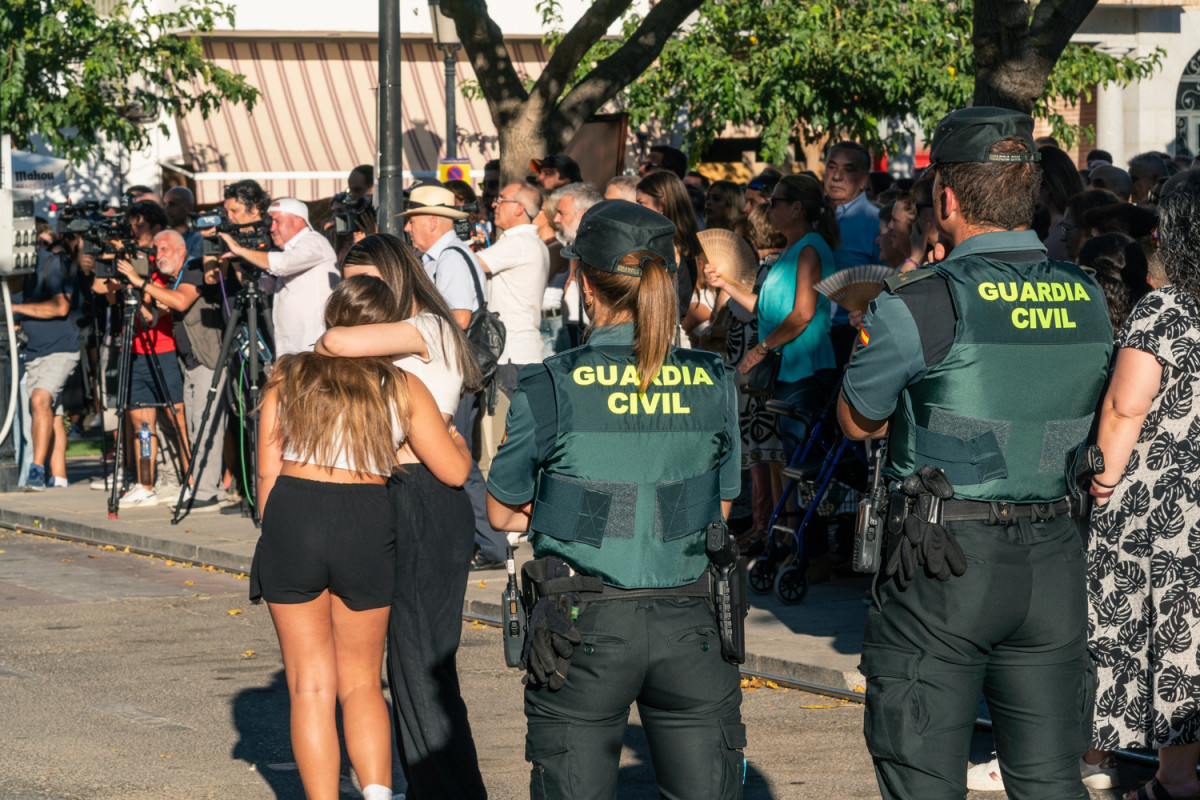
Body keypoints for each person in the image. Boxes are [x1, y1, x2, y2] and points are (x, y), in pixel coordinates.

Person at [837, 106, 1114, 800]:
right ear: (1032, 195)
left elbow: (856, 421)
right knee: (1051, 778)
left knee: (923, 772)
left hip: (943, 563)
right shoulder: (1088, 297)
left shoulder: (921, 302)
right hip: (1054, 556)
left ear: (947, 199)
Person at [485, 199, 745, 798]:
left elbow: (501, 511)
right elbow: (720, 509)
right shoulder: (713, 379)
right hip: (693, 619)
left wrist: (580, 509)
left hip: (583, 621)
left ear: (582, 281)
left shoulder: (551, 382)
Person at [253, 275, 472, 800]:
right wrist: (460, 447)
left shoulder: (290, 377)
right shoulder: (401, 385)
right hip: (365, 518)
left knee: (309, 685)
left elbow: (267, 470)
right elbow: (452, 473)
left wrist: (274, 533)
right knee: (361, 682)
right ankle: (377, 793)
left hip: (294, 511)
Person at [316, 239, 487, 799]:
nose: (349, 293)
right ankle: (427, 783)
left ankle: (450, 790)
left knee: (422, 663)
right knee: (404, 663)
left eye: (361, 281)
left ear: (394, 277)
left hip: (423, 494)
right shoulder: (399, 336)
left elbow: (333, 338)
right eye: (344, 282)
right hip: (389, 492)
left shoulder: (429, 325)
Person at [1085, 181, 1200, 800]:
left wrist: (1103, 476)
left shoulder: (1167, 310)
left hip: (1163, 507)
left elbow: (1126, 407)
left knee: (1135, 628)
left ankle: (1143, 768)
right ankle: (1176, 774)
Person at [400, 183, 505, 570]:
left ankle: (490, 545)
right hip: (447, 373)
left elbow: (459, 319)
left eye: (411, 220)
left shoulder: (452, 259)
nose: (408, 228)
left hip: (451, 374)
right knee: (451, 455)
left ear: (431, 221)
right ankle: (480, 542)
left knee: (455, 455)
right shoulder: (443, 257)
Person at [707, 174, 839, 454]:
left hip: (806, 369)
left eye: (775, 202)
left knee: (802, 456)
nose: (768, 209)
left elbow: (803, 314)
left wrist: (761, 349)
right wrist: (725, 283)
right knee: (791, 457)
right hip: (789, 369)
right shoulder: (792, 249)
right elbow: (765, 307)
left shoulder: (809, 250)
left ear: (797, 208)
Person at [119, 230, 227, 512]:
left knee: (195, 426)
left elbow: (179, 302)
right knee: (168, 427)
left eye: (164, 249)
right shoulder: (164, 278)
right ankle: (162, 485)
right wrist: (134, 292)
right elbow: (154, 316)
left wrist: (141, 281)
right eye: (155, 249)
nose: (158, 255)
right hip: (176, 360)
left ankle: (204, 488)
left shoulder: (191, 269)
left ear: (182, 250)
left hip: (196, 359)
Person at [220, 197, 339, 357]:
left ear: (298, 221)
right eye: (270, 223)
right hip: (292, 347)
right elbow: (263, 287)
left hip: (312, 347)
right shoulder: (290, 250)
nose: (272, 228)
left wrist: (241, 250)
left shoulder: (313, 241)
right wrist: (237, 261)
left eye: (277, 221)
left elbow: (283, 264)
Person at [11, 235, 80, 491]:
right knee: (50, 413)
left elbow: (61, 308)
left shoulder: (51, 264)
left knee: (39, 400)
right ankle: (59, 476)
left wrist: (18, 310)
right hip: (34, 352)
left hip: (60, 350)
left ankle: (36, 471)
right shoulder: (19, 273)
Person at [824, 141, 882, 366]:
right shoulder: (814, 216)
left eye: (848, 170)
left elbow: (887, 282)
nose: (836, 177)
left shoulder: (875, 222)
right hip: (811, 335)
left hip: (850, 334)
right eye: (831, 167)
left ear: (864, 180)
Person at [635, 170, 702, 323]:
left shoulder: (666, 246)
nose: (637, 210)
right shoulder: (688, 243)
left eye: (641, 203)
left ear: (662, 204)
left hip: (666, 334)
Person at [163, 186, 203, 261]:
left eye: (172, 205)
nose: (166, 209)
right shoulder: (162, 238)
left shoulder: (198, 239)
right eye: (165, 204)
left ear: (189, 207)